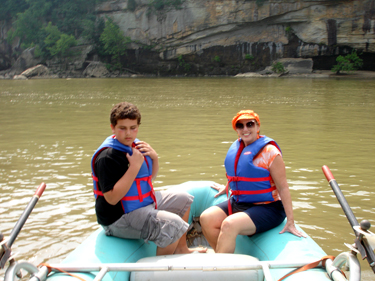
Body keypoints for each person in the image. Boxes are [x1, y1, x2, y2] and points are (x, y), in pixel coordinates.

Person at [91, 102, 205, 255]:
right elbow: (111, 199)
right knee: (172, 224)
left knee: (184, 199)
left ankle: (181, 249)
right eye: (122, 128)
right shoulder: (107, 157)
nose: (128, 134)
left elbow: (148, 180)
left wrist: (155, 158)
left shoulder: (136, 147)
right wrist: (134, 167)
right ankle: (159, 270)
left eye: (133, 128)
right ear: (112, 127)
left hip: (141, 204)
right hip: (118, 219)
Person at [200, 110, 306, 253]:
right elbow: (237, 173)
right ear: (236, 130)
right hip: (240, 203)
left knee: (229, 224)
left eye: (250, 124)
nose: (245, 129)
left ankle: (221, 269)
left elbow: (283, 187)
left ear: (257, 127)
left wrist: (291, 222)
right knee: (206, 218)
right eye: (240, 125)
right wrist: (227, 187)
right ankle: (223, 259)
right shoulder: (237, 147)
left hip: (269, 208)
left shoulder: (270, 152)